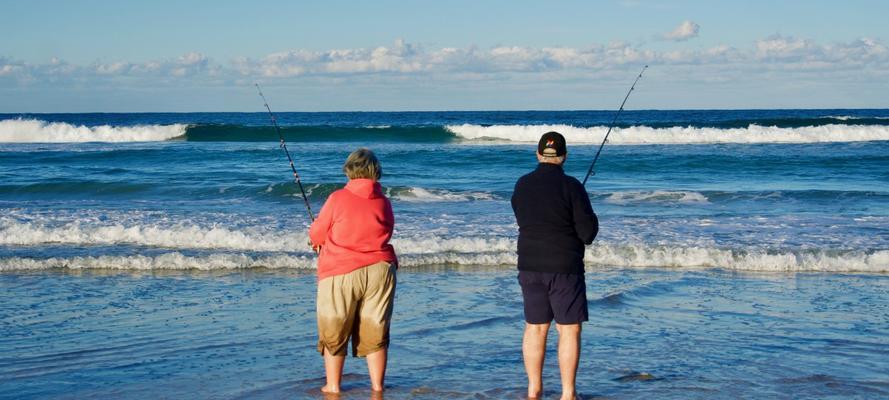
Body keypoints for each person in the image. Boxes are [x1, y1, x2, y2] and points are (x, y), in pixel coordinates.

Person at [511, 131, 599, 400]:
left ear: (538, 154)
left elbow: (523, 217)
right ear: (564, 157)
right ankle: (568, 394)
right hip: (564, 267)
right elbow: (588, 234)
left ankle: (533, 389)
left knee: (535, 327)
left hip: (529, 264)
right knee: (568, 328)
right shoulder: (572, 187)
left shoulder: (522, 184)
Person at [309, 148, 398, 394]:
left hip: (341, 269)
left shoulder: (338, 198)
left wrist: (319, 240)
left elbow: (317, 233)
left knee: (335, 327)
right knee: (376, 327)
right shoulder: (384, 201)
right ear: (375, 171)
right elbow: (387, 230)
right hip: (381, 269)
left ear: (349, 170)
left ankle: (334, 386)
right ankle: (377, 386)